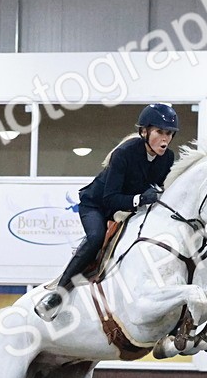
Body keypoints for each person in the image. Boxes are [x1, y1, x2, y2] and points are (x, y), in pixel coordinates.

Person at [34, 103, 179, 322]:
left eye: (169, 133)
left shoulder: (167, 158)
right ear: (144, 132)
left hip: (127, 209)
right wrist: (140, 198)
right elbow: (110, 198)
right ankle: (57, 294)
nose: (165, 139)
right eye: (159, 132)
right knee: (96, 239)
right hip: (97, 206)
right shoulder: (124, 154)